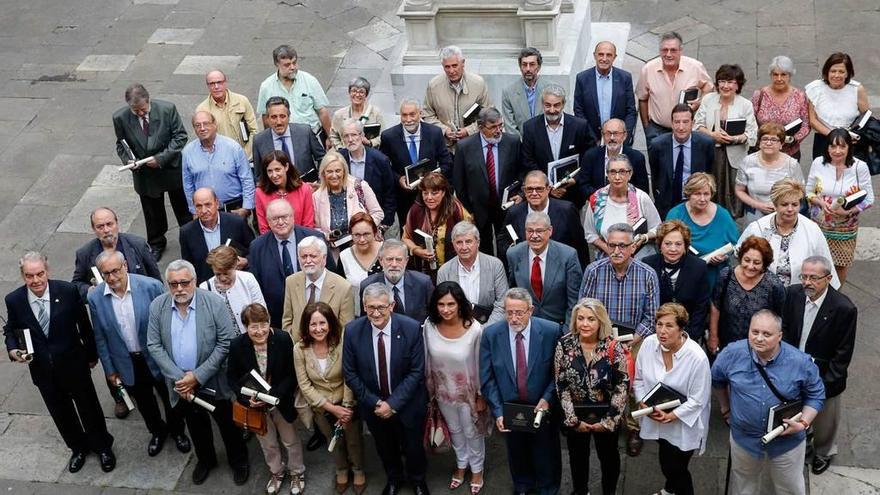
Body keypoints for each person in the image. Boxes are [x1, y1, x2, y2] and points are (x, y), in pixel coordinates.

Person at [4, 252, 115, 473]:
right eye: (29, 276)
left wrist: (91, 356)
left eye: (39, 274)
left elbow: (84, 326)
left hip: (74, 365)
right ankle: (78, 448)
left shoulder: (67, 291)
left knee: (89, 408)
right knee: (61, 413)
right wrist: (13, 349)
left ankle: (102, 447)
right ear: (22, 276)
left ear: (48, 271)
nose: (35, 281)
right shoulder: (14, 300)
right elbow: (10, 329)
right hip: (43, 371)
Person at [147, 259, 248, 485]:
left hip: (213, 379)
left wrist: (198, 375)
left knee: (227, 424)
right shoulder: (158, 306)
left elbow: (225, 342)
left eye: (184, 282)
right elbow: (154, 345)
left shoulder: (214, 303)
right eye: (173, 284)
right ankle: (206, 460)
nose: (179, 289)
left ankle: (239, 461)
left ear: (194, 281)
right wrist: (181, 378)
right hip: (180, 383)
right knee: (195, 424)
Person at [88, 251, 189, 457]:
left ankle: (178, 431)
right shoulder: (96, 298)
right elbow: (100, 337)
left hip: (157, 356)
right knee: (144, 401)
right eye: (105, 273)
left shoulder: (150, 286)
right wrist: (110, 370)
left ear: (125, 265)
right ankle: (157, 432)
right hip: (126, 360)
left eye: (115, 271)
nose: (111, 277)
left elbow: (169, 322)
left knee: (169, 394)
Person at [712, 310, 824, 495]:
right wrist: (725, 408)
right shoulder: (732, 353)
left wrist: (803, 423)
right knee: (743, 486)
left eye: (767, 334)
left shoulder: (800, 362)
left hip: (787, 442)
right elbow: (717, 379)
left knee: (790, 488)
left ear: (779, 336)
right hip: (744, 439)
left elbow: (816, 394)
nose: (759, 338)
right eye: (754, 332)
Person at [579, 222, 660, 457]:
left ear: (633, 247)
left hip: (635, 340)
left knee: (635, 386)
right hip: (601, 338)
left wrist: (634, 340)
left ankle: (633, 428)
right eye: (611, 244)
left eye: (622, 246)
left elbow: (652, 315)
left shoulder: (647, 274)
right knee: (601, 383)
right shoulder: (594, 271)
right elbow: (583, 308)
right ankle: (605, 419)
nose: (616, 250)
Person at [342, 283, 430, 495]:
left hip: (408, 404)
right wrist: (376, 403)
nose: (376, 312)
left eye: (381, 307)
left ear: (392, 305)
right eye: (371, 307)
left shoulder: (410, 328)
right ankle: (394, 479)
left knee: (413, 447)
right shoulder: (353, 331)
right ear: (363, 306)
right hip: (374, 406)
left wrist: (393, 403)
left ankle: (417, 480)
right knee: (384, 447)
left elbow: (417, 372)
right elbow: (350, 373)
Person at [480, 288, 563, 495]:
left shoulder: (551, 331)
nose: (514, 318)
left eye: (519, 312)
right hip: (510, 410)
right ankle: (523, 487)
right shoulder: (491, 334)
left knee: (546, 453)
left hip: (542, 408)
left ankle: (547, 488)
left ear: (531, 310)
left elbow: (559, 373)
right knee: (517, 453)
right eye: (509, 312)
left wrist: (547, 398)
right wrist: (498, 412)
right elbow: (487, 378)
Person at [781, 257, 857, 476]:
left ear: (828, 278)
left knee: (825, 422)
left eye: (814, 278)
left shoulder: (844, 308)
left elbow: (843, 354)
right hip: (795, 369)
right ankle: (803, 444)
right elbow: (785, 327)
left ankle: (823, 453)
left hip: (825, 376)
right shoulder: (793, 295)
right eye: (804, 276)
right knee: (796, 412)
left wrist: (826, 385)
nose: (807, 282)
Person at [634, 303, 711, 495]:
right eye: (659, 324)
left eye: (669, 326)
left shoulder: (697, 358)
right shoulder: (649, 344)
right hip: (656, 417)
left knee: (677, 469)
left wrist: (671, 416)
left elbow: (698, 399)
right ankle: (669, 491)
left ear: (681, 328)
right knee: (666, 458)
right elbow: (639, 379)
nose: (662, 331)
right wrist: (643, 402)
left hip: (685, 423)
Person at [554, 298, 628, 495]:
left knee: (609, 459)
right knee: (578, 459)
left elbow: (622, 385)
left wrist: (609, 421)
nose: (585, 324)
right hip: (576, 415)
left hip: (606, 414)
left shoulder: (613, 346)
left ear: (600, 321)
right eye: (580, 318)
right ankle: (580, 491)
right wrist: (572, 419)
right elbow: (561, 384)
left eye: (591, 319)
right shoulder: (564, 344)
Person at [227, 303, 302, 495]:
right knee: (267, 443)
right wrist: (247, 400)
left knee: (290, 440)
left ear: (269, 322)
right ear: (245, 327)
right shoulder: (237, 345)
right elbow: (232, 378)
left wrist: (273, 396)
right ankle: (276, 472)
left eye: (263, 324)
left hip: (280, 401)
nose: (260, 331)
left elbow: (292, 374)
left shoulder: (284, 339)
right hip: (255, 406)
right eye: (254, 326)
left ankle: (297, 472)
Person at [424, 282, 491, 494]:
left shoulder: (474, 329)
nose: (446, 309)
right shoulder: (429, 326)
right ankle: (462, 465)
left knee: (472, 431)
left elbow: (481, 364)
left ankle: (477, 469)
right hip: (442, 392)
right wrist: (429, 392)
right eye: (441, 304)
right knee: (454, 430)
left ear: (460, 304)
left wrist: (482, 395)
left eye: (451, 304)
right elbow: (426, 360)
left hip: (469, 393)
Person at [112, 83, 190, 261]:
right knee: (152, 212)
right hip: (145, 173)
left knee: (182, 208)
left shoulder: (167, 109)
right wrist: (128, 160)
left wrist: (161, 158)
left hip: (170, 168)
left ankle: (188, 239)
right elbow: (121, 144)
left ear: (149, 100)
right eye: (135, 110)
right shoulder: (120, 118)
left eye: (143, 109)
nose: (140, 113)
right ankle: (156, 243)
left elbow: (180, 137)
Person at [294, 302, 366, 494]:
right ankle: (341, 469)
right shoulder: (300, 349)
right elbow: (305, 385)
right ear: (306, 326)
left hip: (347, 403)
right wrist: (331, 408)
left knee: (353, 440)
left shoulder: (342, 343)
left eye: (322, 323)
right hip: (322, 407)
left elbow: (349, 376)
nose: (318, 329)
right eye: (313, 324)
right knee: (333, 441)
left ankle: (358, 470)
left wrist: (346, 407)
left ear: (331, 323)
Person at [739, 178, 840, 288]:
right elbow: (740, 257)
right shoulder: (757, 228)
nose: (790, 209)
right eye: (784, 204)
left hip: (800, 294)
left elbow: (826, 264)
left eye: (795, 204)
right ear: (775, 205)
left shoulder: (812, 230)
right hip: (761, 293)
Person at [805, 127, 874, 284]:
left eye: (842, 146)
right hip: (820, 223)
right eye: (833, 146)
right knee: (818, 262)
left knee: (841, 263)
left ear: (849, 147)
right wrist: (821, 203)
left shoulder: (859, 166)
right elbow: (808, 192)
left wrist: (850, 211)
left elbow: (869, 198)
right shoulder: (818, 163)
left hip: (846, 227)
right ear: (827, 147)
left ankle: (836, 296)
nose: (837, 151)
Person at [452, 106, 524, 255]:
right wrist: (468, 210)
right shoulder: (464, 147)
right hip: (477, 210)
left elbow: (522, 172)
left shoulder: (513, 142)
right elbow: (459, 183)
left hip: (507, 207)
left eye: (500, 126)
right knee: (483, 249)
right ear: (480, 127)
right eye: (492, 127)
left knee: (508, 247)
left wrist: (521, 195)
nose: (498, 131)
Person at [248, 199, 329, 328]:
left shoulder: (315, 238)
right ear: (268, 221)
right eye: (275, 218)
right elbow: (256, 285)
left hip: (317, 315)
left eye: (284, 217)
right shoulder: (257, 247)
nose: (280, 222)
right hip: (277, 319)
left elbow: (331, 276)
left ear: (293, 217)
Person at [694, 64, 758, 217]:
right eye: (722, 81)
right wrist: (712, 135)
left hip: (733, 157)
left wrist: (734, 138)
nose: (725, 86)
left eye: (731, 82)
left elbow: (752, 134)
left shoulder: (745, 104)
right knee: (709, 188)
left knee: (732, 194)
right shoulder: (709, 99)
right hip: (711, 154)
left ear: (738, 85)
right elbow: (697, 125)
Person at [379, 98, 453, 225]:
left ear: (420, 113)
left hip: (432, 196)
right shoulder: (389, 136)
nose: (408, 120)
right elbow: (383, 167)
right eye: (404, 115)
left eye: (412, 114)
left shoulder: (434, 133)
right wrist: (399, 179)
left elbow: (446, 162)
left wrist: (432, 179)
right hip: (404, 198)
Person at [708, 236, 786, 355]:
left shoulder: (774, 285)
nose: (750, 266)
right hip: (726, 345)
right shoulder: (726, 275)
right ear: (740, 258)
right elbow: (715, 306)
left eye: (756, 262)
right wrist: (713, 337)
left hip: (759, 349)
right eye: (747, 260)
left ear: (764, 263)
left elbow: (780, 319)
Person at [520, 84, 595, 207]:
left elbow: (589, 157)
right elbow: (528, 161)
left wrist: (576, 179)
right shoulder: (530, 127)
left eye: (557, 105)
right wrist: (548, 186)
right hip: (542, 196)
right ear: (542, 104)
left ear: (563, 104)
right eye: (548, 105)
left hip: (572, 195)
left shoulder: (579, 126)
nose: (552, 110)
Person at [636, 31, 714, 145]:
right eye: (664, 50)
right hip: (658, 130)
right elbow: (642, 99)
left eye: (673, 50)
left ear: (680, 51)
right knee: (658, 163)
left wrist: (701, 101)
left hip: (687, 129)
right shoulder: (648, 69)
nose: (668, 54)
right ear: (659, 51)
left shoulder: (695, 67)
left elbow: (709, 87)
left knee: (687, 161)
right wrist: (647, 128)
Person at [666, 173, 740, 289]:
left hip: (714, 274)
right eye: (697, 194)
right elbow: (665, 244)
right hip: (683, 273)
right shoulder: (676, 214)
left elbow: (736, 245)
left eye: (706, 194)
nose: (702, 199)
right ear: (688, 194)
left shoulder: (723, 215)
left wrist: (724, 256)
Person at [507, 211, 581, 326]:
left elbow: (574, 301)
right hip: (525, 326)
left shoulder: (568, 256)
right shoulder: (514, 254)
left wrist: (566, 334)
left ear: (550, 231)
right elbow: (512, 291)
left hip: (558, 326)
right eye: (530, 231)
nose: (534, 236)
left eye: (539, 231)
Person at [73, 207, 160, 302]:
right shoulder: (85, 253)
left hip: (140, 300)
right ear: (94, 229)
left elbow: (155, 279)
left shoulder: (138, 245)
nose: (106, 230)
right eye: (100, 227)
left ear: (117, 223)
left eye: (109, 224)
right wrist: (89, 290)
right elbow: (76, 284)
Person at [504, 170, 589, 267]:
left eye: (539, 189)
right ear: (524, 191)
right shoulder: (514, 212)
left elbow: (580, 245)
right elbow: (503, 239)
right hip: (526, 271)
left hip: (560, 271)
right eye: (529, 189)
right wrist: (516, 251)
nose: (534, 193)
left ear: (548, 189)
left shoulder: (566, 210)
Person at [584, 154, 661, 260]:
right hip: (608, 259)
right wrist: (611, 250)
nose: (617, 177)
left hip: (639, 259)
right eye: (612, 172)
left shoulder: (641, 198)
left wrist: (644, 237)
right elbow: (590, 234)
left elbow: (657, 227)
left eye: (622, 171)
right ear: (607, 175)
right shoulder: (596, 200)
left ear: (630, 174)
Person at [643, 221, 711, 340]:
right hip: (654, 333)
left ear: (685, 246)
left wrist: (688, 337)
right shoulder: (648, 264)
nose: (673, 249)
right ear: (660, 245)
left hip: (687, 333)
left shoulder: (699, 267)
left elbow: (701, 307)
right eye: (668, 244)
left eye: (678, 244)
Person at [281, 236, 355, 342]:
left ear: (324, 259)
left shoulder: (343, 287)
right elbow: (287, 321)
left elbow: (345, 329)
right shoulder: (291, 282)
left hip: (330, 352)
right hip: (298, 351)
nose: (308, 261)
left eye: (313, 256)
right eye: (303, 256)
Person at [182, 111, 255, 218]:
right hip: (204, 211)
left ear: (214, 124)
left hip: (233, 209)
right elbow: (188, 184)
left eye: (206, 123)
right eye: (198, 125)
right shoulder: (188, 152)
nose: (202, 128)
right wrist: (194, 211)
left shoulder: (233, 148)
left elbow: (247, 178)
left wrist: (247, 208)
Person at [649, 103, 716, 219]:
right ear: (671, 123)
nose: (681, 127)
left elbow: (709, 172)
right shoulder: (657, 145)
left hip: (694, 201)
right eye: (677, 122)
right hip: (667, 202)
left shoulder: (706, 144)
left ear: (692, 123)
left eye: (685, 122)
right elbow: (656, 175)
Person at [256, 45, 331, 145]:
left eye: (294, 63)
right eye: (287, 65)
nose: (292, 67)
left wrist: (330, 137)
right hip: (283, 139)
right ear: (277, 64)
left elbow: (322, 111)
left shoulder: (309, 80)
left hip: (312, 137)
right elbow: (265, 116)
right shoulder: (266, 87)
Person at [437, 221, 508, 326]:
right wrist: (461, 330)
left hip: (490, 328)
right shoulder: (444, 271)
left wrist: (484, 330)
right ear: (453, 244)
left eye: (468, 241)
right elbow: (443, 306)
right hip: (457, 329)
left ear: (478, 242)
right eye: (459, 242)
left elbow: (502, 303)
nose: (464, 247)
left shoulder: (495, 265)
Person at [403, 171, 472, 279]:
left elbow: (470, 238)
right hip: (423, 271)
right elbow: (406, 238)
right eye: (425, 193)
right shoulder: (416, 210)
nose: (429, 198)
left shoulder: (456, 209)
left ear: (443, 192)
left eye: (434, 193)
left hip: (454, 270)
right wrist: (417, 251)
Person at [422, 45, 491, 150]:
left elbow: (488, 115)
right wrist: (444, 130)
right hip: (445, 147)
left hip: (473, 145)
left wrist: (468, 131)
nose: (451, 71)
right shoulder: (433, 86)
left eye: (455, 65)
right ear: (442, 66)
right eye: (447, 67)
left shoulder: (478, 84)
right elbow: (427, 115)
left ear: (463, 63)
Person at [179, 187, 254, 284]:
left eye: (208, 204)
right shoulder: (187, 232)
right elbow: (188, 266)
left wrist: (246, 260)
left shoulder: (237, 222)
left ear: (217, 203)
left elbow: (254, 251)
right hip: (207, 286)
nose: (204, 210)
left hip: (237, 281)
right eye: (199, 206)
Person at [735, 123, 804, 224]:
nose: (768, 143)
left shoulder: (792, 164)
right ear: (759, 142)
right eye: (765, 139)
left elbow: (800, 193)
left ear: (781, 144)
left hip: (785, 214)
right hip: (755, 212)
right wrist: (757, 205)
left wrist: (782, 207)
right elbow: (739, 190)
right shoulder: (748, 161)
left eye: (774, 140)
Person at [806, 52, 870, 159]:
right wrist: (835, 136)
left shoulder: (857, 89)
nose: (836, 75)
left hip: (851, 141)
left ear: (847, 73)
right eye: (833, 71)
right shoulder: (815, 88)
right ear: (827, 72)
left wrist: (854, 137)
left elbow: (866, 118)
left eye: (841, 72)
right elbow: (812, 120)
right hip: (824, 139)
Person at [338, 119, 397, 235]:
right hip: (348, 224)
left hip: (376, 221)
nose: (350, 140)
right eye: (346, 136)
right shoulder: (339, 159)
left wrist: (384, 224)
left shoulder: (381, 160)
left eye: (354, 135)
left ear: (362, 135)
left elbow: (390, 194)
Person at [312, 150, 383, 245]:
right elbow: (316, 228)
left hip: (362, 244)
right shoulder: (317, 196)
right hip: (334, 251)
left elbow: (378, 213)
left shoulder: (360, 186)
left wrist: (362, 230)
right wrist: (327, 236)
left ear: (344, 171)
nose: (334, 175)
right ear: (323, 173)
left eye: (338, 171)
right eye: (329, 171)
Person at [573, 40, 638, 144]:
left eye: (609, 55)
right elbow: (578, 111)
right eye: (601, 54)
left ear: (614, 57)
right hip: (591, 141)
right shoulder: (582, 78)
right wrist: (592, 139)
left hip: (618, 141)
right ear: (594, 56)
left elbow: (631, 111)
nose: (604, 59)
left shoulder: (625, 78)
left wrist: (623, 136)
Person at [359, 239, 434, 324]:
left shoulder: (423, 283)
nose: (394, 264)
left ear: (406, 261)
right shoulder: (368, 285)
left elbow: (433, 318)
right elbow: (365, 321)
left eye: (398, 259)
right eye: (389, 259)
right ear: (380, 260)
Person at [750, 56, 810, 159]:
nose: (779, 79)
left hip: (790, 153)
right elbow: (750, 121)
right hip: (762, 152)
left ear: (790, 75)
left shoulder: (800, 96)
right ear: (771, 75)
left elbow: (806, 124)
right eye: (775, 74)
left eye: (783, 75)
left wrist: (793, 139)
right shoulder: (759, 94)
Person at [252, 96, 326, 179]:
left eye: (282, 116)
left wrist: (320, 182)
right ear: (267, 119)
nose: (279, 122)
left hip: (306, 187)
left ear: (289, 117)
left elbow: (323, 159)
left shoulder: (305, 132)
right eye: (274, 117)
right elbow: (258, 175)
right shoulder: (259, 140)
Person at [198, 245, 266, 334]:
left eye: (226, 273)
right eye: (218, 274)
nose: (222, 278)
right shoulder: (205, 288)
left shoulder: (248, 278)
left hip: (251, 337)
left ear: (235, 265)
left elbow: (262, 312)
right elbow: (207, 323)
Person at [577, 118, 649, 199]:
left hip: (627, 204)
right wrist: (603, 198)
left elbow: (643, 190)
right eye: (608, 133)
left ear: (624, 135)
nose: (612, 138)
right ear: (603, 135)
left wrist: (620, 199)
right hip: (598, 203)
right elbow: (583, 185)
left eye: (616, 133)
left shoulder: (636, 158)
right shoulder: (591, 156)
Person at [196, 70, 258, 160]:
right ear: (208, 86)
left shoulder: (242, 101)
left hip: (245, 157)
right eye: (212, 84)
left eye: (219, 82)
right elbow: (204, 140)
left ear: (225, 83)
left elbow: (254, 131)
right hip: (219, 159)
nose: (216, 87)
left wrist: (244, 155)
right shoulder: (202, 110)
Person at [254, 150, 316, 233]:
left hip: (302, 240)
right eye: (270, 171)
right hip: (274, 242)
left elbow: (308, 225)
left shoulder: (304, 189)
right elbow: (264, 229)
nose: (274, 175)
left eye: (277, 169)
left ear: (286, 167)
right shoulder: (260, 193)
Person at [339, 212, 384, 314]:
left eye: (366, 234)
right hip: (356, 315)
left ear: (375, 232)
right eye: (357, 235)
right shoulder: (344, 256)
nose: (362, 240)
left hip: (386, 314)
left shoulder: (386, 251)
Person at [501, 47, 549, 138]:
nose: (528, 69)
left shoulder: (550, 89)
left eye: (532, 64)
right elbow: (510, 127)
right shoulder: (509, 93)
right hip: (522, 147)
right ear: (520, 67)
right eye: (524, 64)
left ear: (539, 67)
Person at [330, 76, 385, 149]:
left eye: (361, 92)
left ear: (366, 95)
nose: (357, 94)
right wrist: (341, 149)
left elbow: (383, 135)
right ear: (349, 93)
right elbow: (333, 136)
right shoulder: (339, 115)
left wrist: (370, 142)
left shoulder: (376, 112)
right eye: (354, 91)